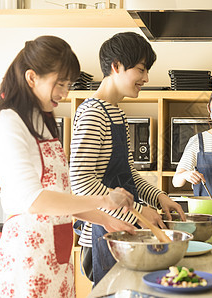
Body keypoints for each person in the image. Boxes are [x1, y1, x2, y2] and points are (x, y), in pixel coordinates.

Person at [0, 36, 136, 298]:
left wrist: (106, 220)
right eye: (60, 83)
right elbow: (35, 200)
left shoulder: (41, 121)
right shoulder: (8, 122)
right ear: (32, 77)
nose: (64, 93)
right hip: (26, 264)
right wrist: (105, 200)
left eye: (68, 84)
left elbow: (61, 195)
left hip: (55, 259)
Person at [69, 32, 186, 285]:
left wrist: (159, 196)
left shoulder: (118, 114)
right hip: (104, 234)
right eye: (141, 70)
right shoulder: (92, 112)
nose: (146, 78)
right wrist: (136, 213)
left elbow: (129, 174)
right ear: (116, 66)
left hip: (124, 230)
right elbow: (80, 182)